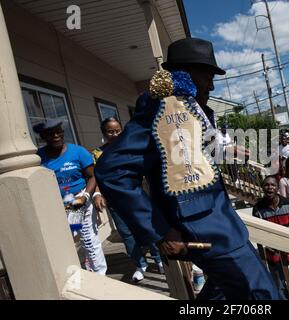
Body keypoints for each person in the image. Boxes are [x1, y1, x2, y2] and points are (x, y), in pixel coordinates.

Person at [94, 37, 279, 299]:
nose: (212, 84)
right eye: (207, 75)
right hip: (205, 231)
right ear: (185, 73)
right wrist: (160, 229)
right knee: (262, 295)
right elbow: (112, 170)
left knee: (223, 294)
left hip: (224, 223)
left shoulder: (192, 110)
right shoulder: (160, 111)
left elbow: (190, 155)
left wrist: (226, 153)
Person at [91, 117, 163, 281]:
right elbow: (96, 177)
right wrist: (98, 194)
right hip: (115, 200)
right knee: (126, 233)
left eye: (117, 130)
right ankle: (140, 264)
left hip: (137, 197)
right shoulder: (98, 154)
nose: (115, 134)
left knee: (148, 227)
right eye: (110, 131)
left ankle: (159, 259)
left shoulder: (131, 148)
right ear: (104, 133)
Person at [33, 119, 107, 275]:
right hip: (56, 204)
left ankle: (100, 274)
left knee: (88, 238)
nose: (56, 136)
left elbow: (92, 177)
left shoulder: (78, 152)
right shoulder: (39, 157)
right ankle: (83, 269)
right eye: (50, 134)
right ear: (43, 137)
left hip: (79, 200)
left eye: (59, 131)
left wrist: (87, 195)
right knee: (69, 239)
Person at [253, 176, 289, 300]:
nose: (270, 187)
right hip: (272, 254)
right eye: (267, 185)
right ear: (263, 188)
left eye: (273, 185)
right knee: (279, 285)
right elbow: (259, 234)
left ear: (278, 188)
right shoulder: (258, 209)